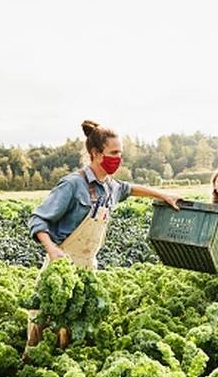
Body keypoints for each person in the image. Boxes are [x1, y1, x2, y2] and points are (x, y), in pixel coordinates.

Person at [25, 119, 182, 356]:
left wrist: (163, 195)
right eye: (114, 153)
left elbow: (130, 188)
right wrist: (51, 249)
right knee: (42, 331)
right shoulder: (72, 184)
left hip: (88, 272)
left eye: (120, 153)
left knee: (74, 335)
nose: (118, 158)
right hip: (59, 270)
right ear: (96, 153)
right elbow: (38, 220)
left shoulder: (110, 187)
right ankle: (30, 374)